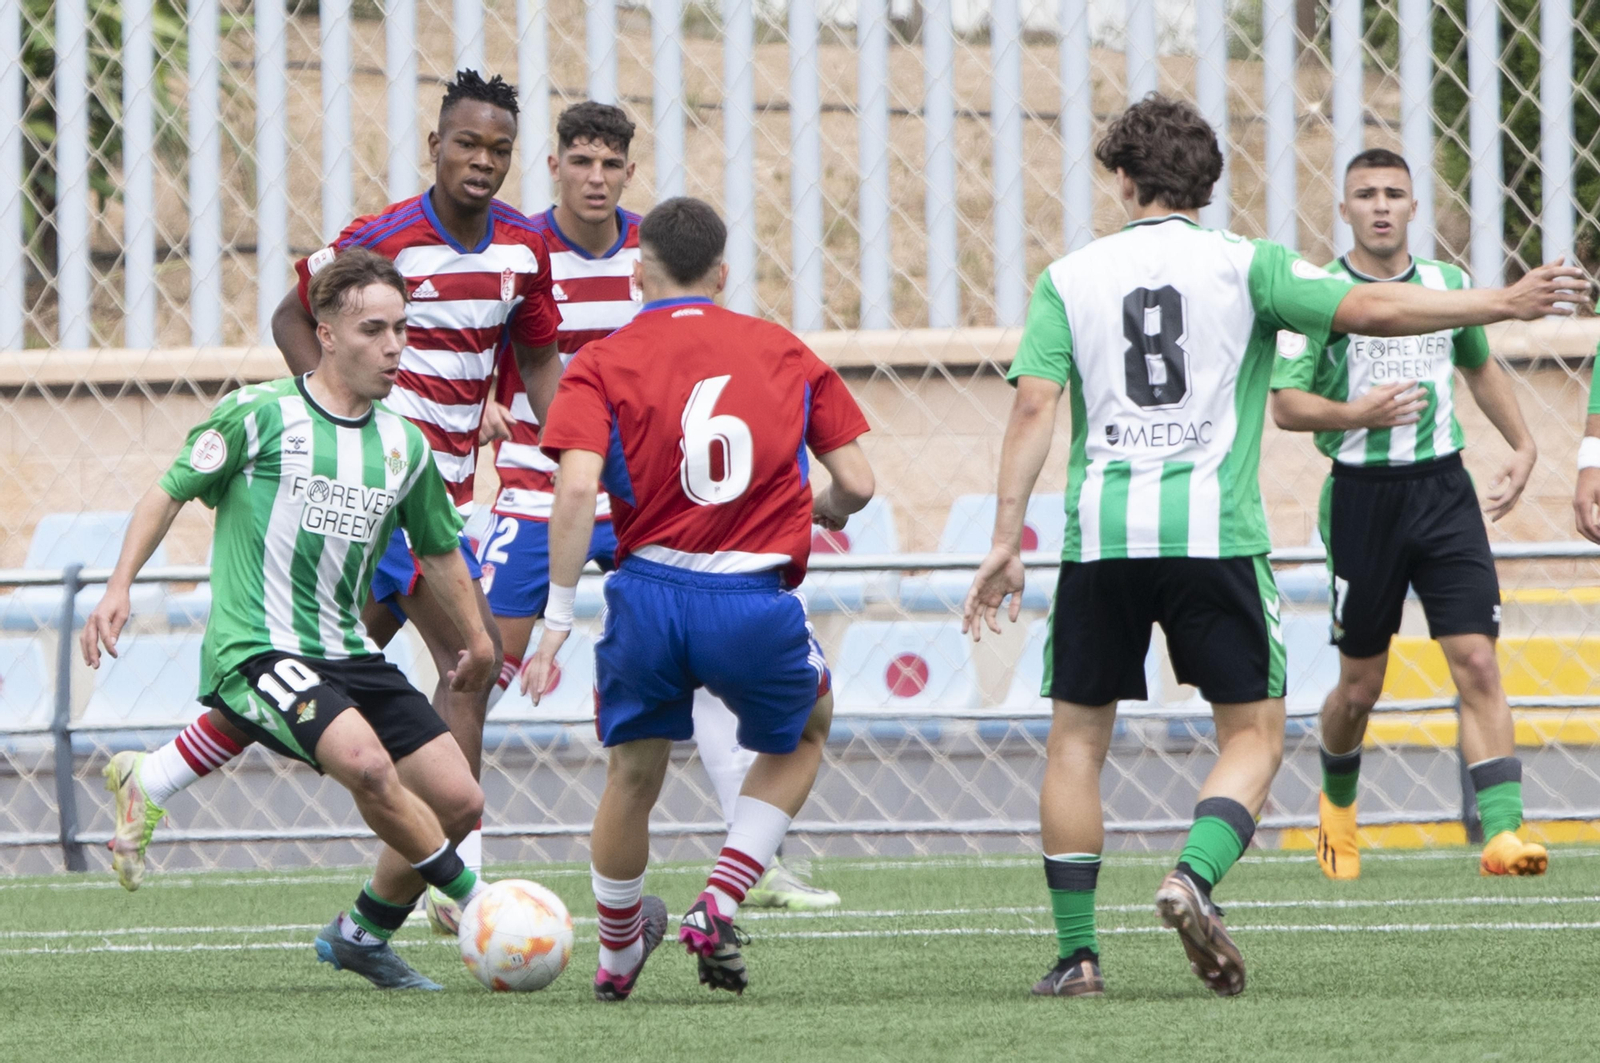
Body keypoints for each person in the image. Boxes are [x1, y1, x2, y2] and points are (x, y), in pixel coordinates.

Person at [961, 94, 1590, 1000]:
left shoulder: (1069, 277)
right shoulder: (1249, 266)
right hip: (1215, 533)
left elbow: (1032, 405)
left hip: (1099, 536)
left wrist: (1003, 537)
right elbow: (1370, 309)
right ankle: (1193, 875)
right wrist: (1505, 300)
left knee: (1075, 743)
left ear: (1124, 179)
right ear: (1208, 185)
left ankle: (1077, 956)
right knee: (1253, 730)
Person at [100, 69, 560, 897]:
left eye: (499, 149)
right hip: (376, 503)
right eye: (467, 144)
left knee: (316, 670)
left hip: (437, 494)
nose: (482, 161)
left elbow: (532, 354)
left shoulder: (524, 247)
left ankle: (155, 777)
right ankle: (464, 890)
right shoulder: (383, 238)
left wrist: (555, 436)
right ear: (437, 146)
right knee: (463, 661)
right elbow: (290, 314)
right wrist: (337, 421)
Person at [85, 250, 496, 990]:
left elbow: (439, 551)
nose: (395, 346)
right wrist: (118, 586)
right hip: (257, 647)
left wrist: (479, 638)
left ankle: (363, 933)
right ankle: (478, 902)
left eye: (402, 329)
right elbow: (166, 492)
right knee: (368, 766)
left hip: (345, 647)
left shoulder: (404, 444)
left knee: (461, 800)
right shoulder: (259, 413)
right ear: (327, 332)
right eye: (375, 329)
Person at [479, 100, 838, 909]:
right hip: (547, 489)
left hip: (649, 500)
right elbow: (487, 344)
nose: (596, 177)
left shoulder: (659, 248)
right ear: (555, 166)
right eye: (581, 161)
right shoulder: (521, 252)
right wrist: (485, 407)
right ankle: (455, 868)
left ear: (629, 174)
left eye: (611, 164)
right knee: (479, 667)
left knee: (711, 670)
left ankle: (757, 860)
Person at [520, 197, 874, 1000]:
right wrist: (824, 508)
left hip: (646, 594)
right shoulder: (783, 350)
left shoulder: (600, 362)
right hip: (751, 596)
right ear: (721, 272)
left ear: (638, 270)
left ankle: (615, 962)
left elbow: (575, 492)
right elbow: (858, 481)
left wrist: (556, 622)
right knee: (807, 727)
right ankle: (719, 897)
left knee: (632, 777)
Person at [1271, 148, 1547, 880]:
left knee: (1479, 661)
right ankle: (1336, 804)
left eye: (1396, 192)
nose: (1382, 205)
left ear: (1415, 208)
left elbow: (1479, 363)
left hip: (1443, 492)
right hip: (1362, 496)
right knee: (1361, 686)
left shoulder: (1448, 288)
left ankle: (1503, 834)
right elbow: (1286, 405)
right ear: (1345, 209)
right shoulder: (1319, 295)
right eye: (1367, 194)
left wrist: (1523, 444)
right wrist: (1354, 411)